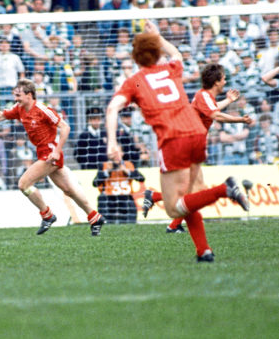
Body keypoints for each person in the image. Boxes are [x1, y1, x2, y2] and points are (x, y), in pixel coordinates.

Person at [106, 21, 249, 262]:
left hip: (173, 139)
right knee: (189, 197)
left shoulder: (136, 82)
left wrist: (112, 142)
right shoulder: (171, 69)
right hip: (196, 133)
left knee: (175, 208)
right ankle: (203, 250)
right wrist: (157, 35)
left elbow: (113, 108)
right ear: (157, 53)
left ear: (135, 57)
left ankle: (225, 189)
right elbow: (177, 53)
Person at [0, 79, 106, 236]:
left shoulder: (43, 110)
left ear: (29, 95)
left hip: (50, 153)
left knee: (23, 184)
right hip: (43, 152)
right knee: (69, 190)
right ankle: (95, 217)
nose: (15, 98)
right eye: (15, 95)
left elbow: (65, 127)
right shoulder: (19, 109)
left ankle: (47, 215)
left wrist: (58, 151)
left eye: (18, 95)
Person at [142, 64, 253, 232]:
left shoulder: (205, 97)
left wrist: (229, 101)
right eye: (223, 79)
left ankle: (170, 220)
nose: (225, 82)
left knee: (189, 190)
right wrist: (240, 120)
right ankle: (168, 212)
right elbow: (216, 116)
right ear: (216, 82)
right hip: (184, 143)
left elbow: (213, 109)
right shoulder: (203, 96)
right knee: (195, 190)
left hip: (188, 143)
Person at [92, 151, 145, 224]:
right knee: (101, 198)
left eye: (117, 153)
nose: (116, 156)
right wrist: (107, 172)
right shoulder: (104, 165)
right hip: (109, 198)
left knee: (131, 205)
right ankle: (104, 224)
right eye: (113, 153)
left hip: (126, 197)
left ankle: (132, 224)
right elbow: (95, 183)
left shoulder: (128, 164)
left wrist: (127, 171)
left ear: (122, 153)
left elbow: (141, 178)